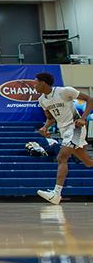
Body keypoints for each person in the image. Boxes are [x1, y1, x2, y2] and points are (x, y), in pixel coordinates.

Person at [34, 71, 93, 204]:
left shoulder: (64, 91)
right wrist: (45, 128)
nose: (34, 86)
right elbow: (50, 118)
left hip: (75, 127)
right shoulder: (42, 100)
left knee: (61, 157)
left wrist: (83, 118)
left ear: (43, 83)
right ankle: (56, 193)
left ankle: (56, 194)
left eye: (36, 83)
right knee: (88, 162)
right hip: (64, 130)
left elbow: (90, 99)